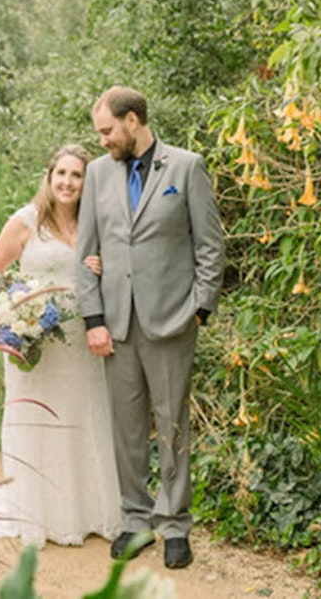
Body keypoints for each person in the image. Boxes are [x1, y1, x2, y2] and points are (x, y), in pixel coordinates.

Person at [76, 86, 225, 569]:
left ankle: (175, 525)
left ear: (133, 120)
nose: (102, 141)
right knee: (127, 429)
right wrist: (94, 319)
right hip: (116, 324)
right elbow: (86, 252)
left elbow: (210, 246)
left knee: (172, 425)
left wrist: (200, 309)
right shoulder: (98, 175)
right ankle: (136, 520)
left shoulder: (186, 167)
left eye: (107, 131)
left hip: (173, 322)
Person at [0, 144, 122, 548]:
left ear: (86, 183)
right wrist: (17, 311)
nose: (68, 182)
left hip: (80, 340)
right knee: (40, 423)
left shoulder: (93, 224)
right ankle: (41, 515)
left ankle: (89, 513)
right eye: (62, 173)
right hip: (37, 343)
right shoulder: (26, 221)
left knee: (83, 417)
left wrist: (103, 268)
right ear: (49, 177)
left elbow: (113, 278)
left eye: (77, 176)